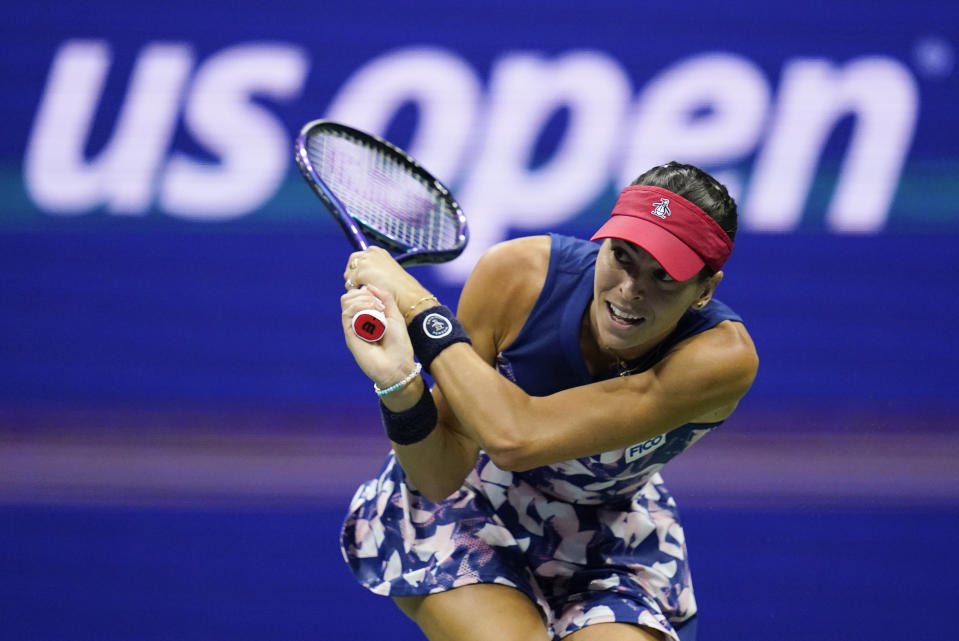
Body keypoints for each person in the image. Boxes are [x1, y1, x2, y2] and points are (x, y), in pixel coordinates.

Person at [337, 161, 758, 641]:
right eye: (622, 256)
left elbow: (517, 437)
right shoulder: (516, 276)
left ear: (706, 289)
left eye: (664, 277)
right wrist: (400, 383)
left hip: (607, 531)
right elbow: (439, 475)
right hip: (469, 504)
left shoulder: (720, 359)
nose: (630, 290)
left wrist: (418, 308)